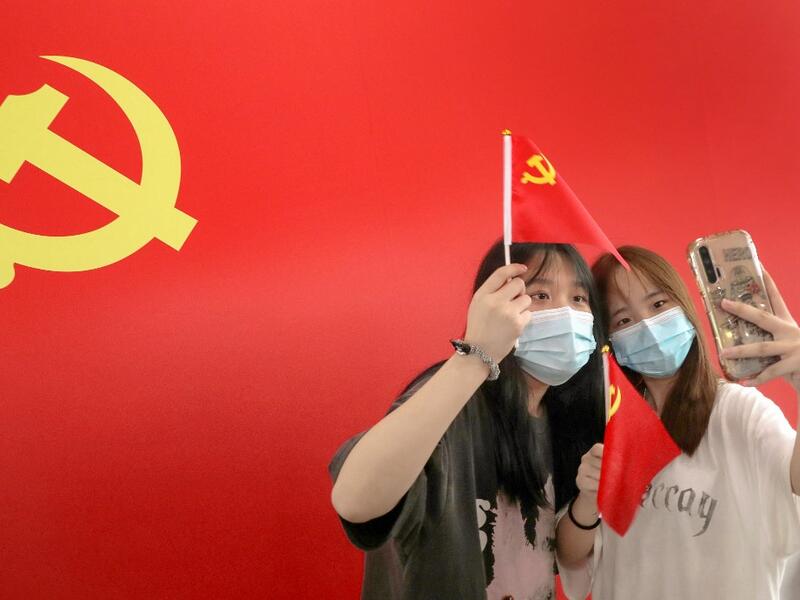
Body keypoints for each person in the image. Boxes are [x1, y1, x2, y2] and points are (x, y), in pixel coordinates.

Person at [329, 241, 606, 599]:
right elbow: (356, 501)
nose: (565, 313)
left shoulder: (562, 418)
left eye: (579, 299)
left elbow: (561, 551)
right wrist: (477, 353)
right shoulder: (454, 400)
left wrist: (590, 496)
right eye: (539, 295)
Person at [556, 245, 800, 600]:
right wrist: (590, 497)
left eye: (658, 305)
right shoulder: (614, 421)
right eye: (623, 320)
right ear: (609, 341)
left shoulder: (738, 412)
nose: (648, 326)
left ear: (685, 307)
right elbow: (571, 554)